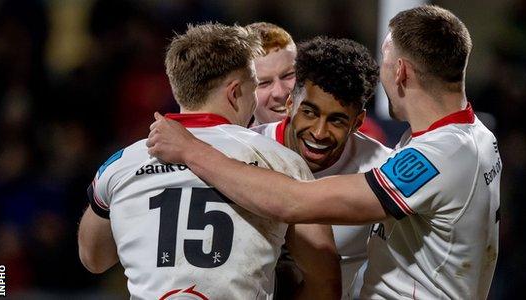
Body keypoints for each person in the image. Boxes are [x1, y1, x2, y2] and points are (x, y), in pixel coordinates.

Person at [147, 5, 501, 299]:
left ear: (402, 71)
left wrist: (191, 149)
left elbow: (294, 202)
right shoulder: (474, 135)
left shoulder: (438, 155)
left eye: (385, 61)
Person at [78, 23, 341, 299]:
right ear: (235, 92)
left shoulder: (120, 164)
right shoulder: (283, 163)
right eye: (256, 86)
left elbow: (93, 259)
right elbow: (325, 281)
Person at [251, 36, 391, 299]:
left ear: (358, 121)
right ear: (291, 103)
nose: (319, 132)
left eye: (337, 120)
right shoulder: (246, 150)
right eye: (310, 112)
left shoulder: (382, 170)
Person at [247, 22, 297, 126]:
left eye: (288, 75)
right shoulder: (230, 142)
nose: (280, 93)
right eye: (264, 83)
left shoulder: (334, 138)